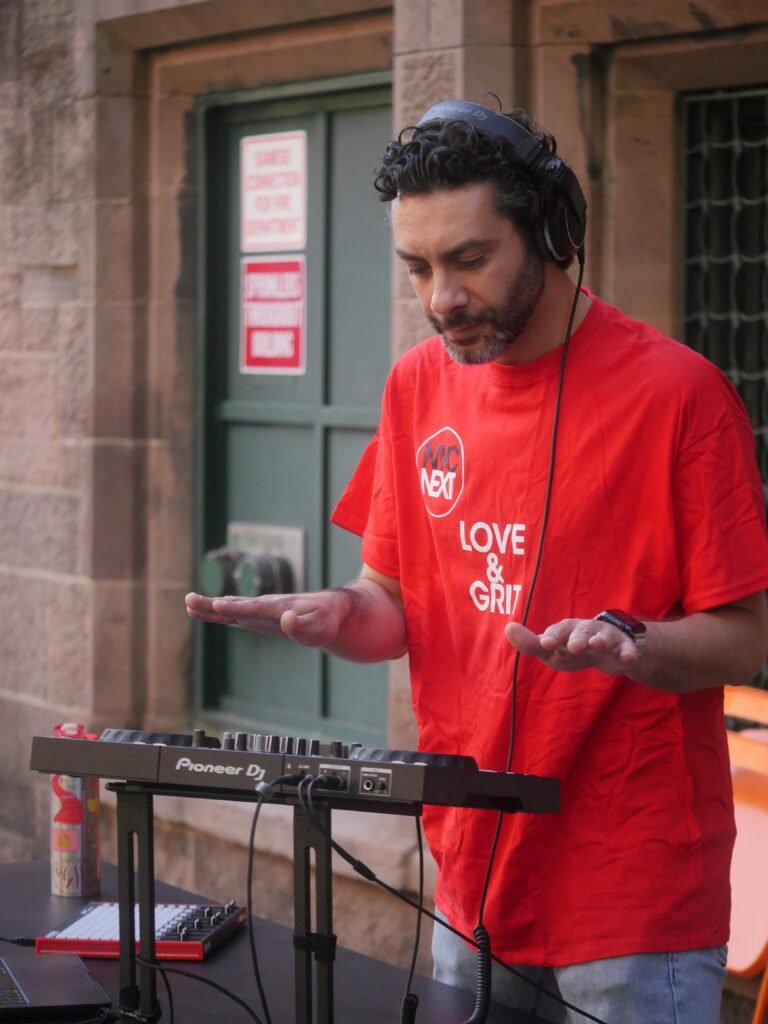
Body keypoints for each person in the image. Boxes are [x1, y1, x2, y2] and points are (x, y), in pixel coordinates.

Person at [186, 101, 768, 1023]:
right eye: (417, 267)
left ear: (550, 232)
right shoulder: (417, 384)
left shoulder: (681, 396)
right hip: (468, 883)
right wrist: (340, 615)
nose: (440, 297)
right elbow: (392, 601)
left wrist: (636, 648)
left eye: (468, 260)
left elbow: (743, 642)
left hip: (633, 903)